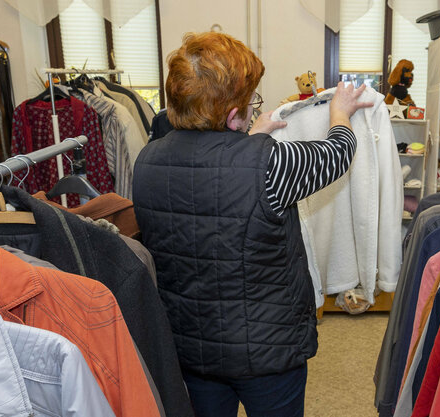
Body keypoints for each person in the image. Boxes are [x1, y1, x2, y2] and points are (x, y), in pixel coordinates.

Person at [132, 31, 372, 417]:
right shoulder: (271, 165)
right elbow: (337, 153)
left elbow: (206, 188)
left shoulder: (146, 162)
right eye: (250, 102)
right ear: (231, 115)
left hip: (192, 350)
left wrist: (249, 137)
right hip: (268, 354)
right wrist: (339, 112)